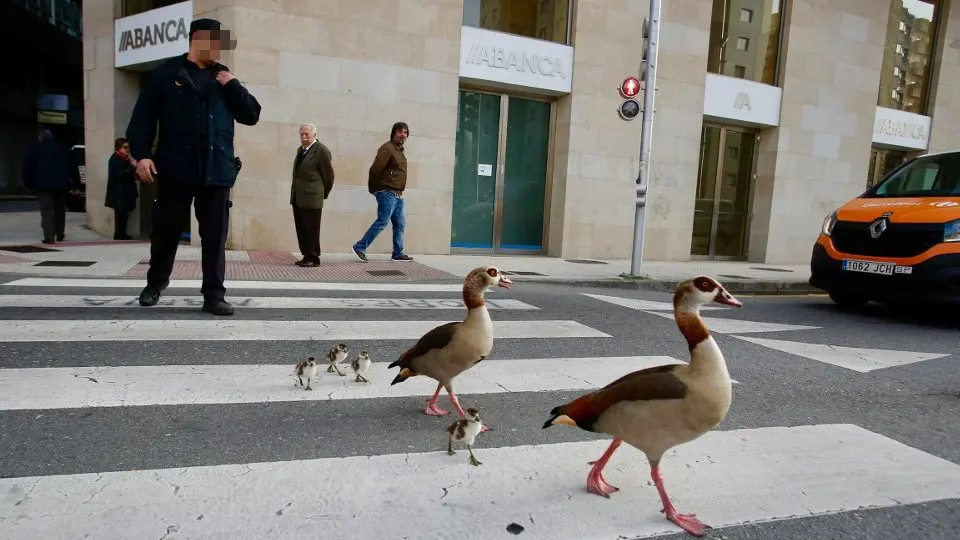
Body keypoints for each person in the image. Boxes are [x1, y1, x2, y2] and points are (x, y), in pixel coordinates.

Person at [125, 18, 261, 316]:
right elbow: (142, 118)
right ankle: (155, 283)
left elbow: (251, 115)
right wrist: (142, 155)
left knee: (214, 237)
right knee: (166, 230)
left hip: (217, 170)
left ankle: (214, 295)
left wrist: (233, 85)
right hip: (175, 168)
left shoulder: (224, 78)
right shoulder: (166, 73)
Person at [351, 121, 413, 262]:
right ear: (394, 133)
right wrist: (373, 188)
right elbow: (375, 169)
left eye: (405, 132)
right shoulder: (387, 148)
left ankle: (397, 253)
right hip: (387, 192)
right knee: (383, 221)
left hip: (397, 194)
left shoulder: (399, 151)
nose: (403, 135)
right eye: (400, 131)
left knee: (400, 224)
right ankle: (359, 247)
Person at [290, 123, 335, 267]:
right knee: (302, 228)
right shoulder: (301, 150)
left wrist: (322, 194)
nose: (303, 137)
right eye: (301, 134)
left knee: (311, 229)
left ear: (314, 135)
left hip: (312, 197)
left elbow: (329, 176)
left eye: (306, 135)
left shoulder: (321, 151)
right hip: (298, 197)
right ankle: (306, 255)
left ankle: (313, 258)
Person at [21, 128, 76, 244]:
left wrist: (28, 184)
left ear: (41, 137)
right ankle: (60, 233)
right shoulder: (63, 148)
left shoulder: (34, 148)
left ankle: (49, 236)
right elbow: (72, 167)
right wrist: (75, 184)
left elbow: (27, 168)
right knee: (60, 210)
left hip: (43, 185)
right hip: (62, 185)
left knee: (47, 211)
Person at [104, 138, 138, 240]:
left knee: (124, 214)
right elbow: (120, 175)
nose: (127, 150)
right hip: (119, 192)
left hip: (124, 191)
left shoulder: (125, 159)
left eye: (128, 147)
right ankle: (119, 234)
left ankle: (121, 233)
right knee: (121, 215)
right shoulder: (116, 159)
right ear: (119, 148)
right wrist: (132, 167)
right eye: (125, 147)